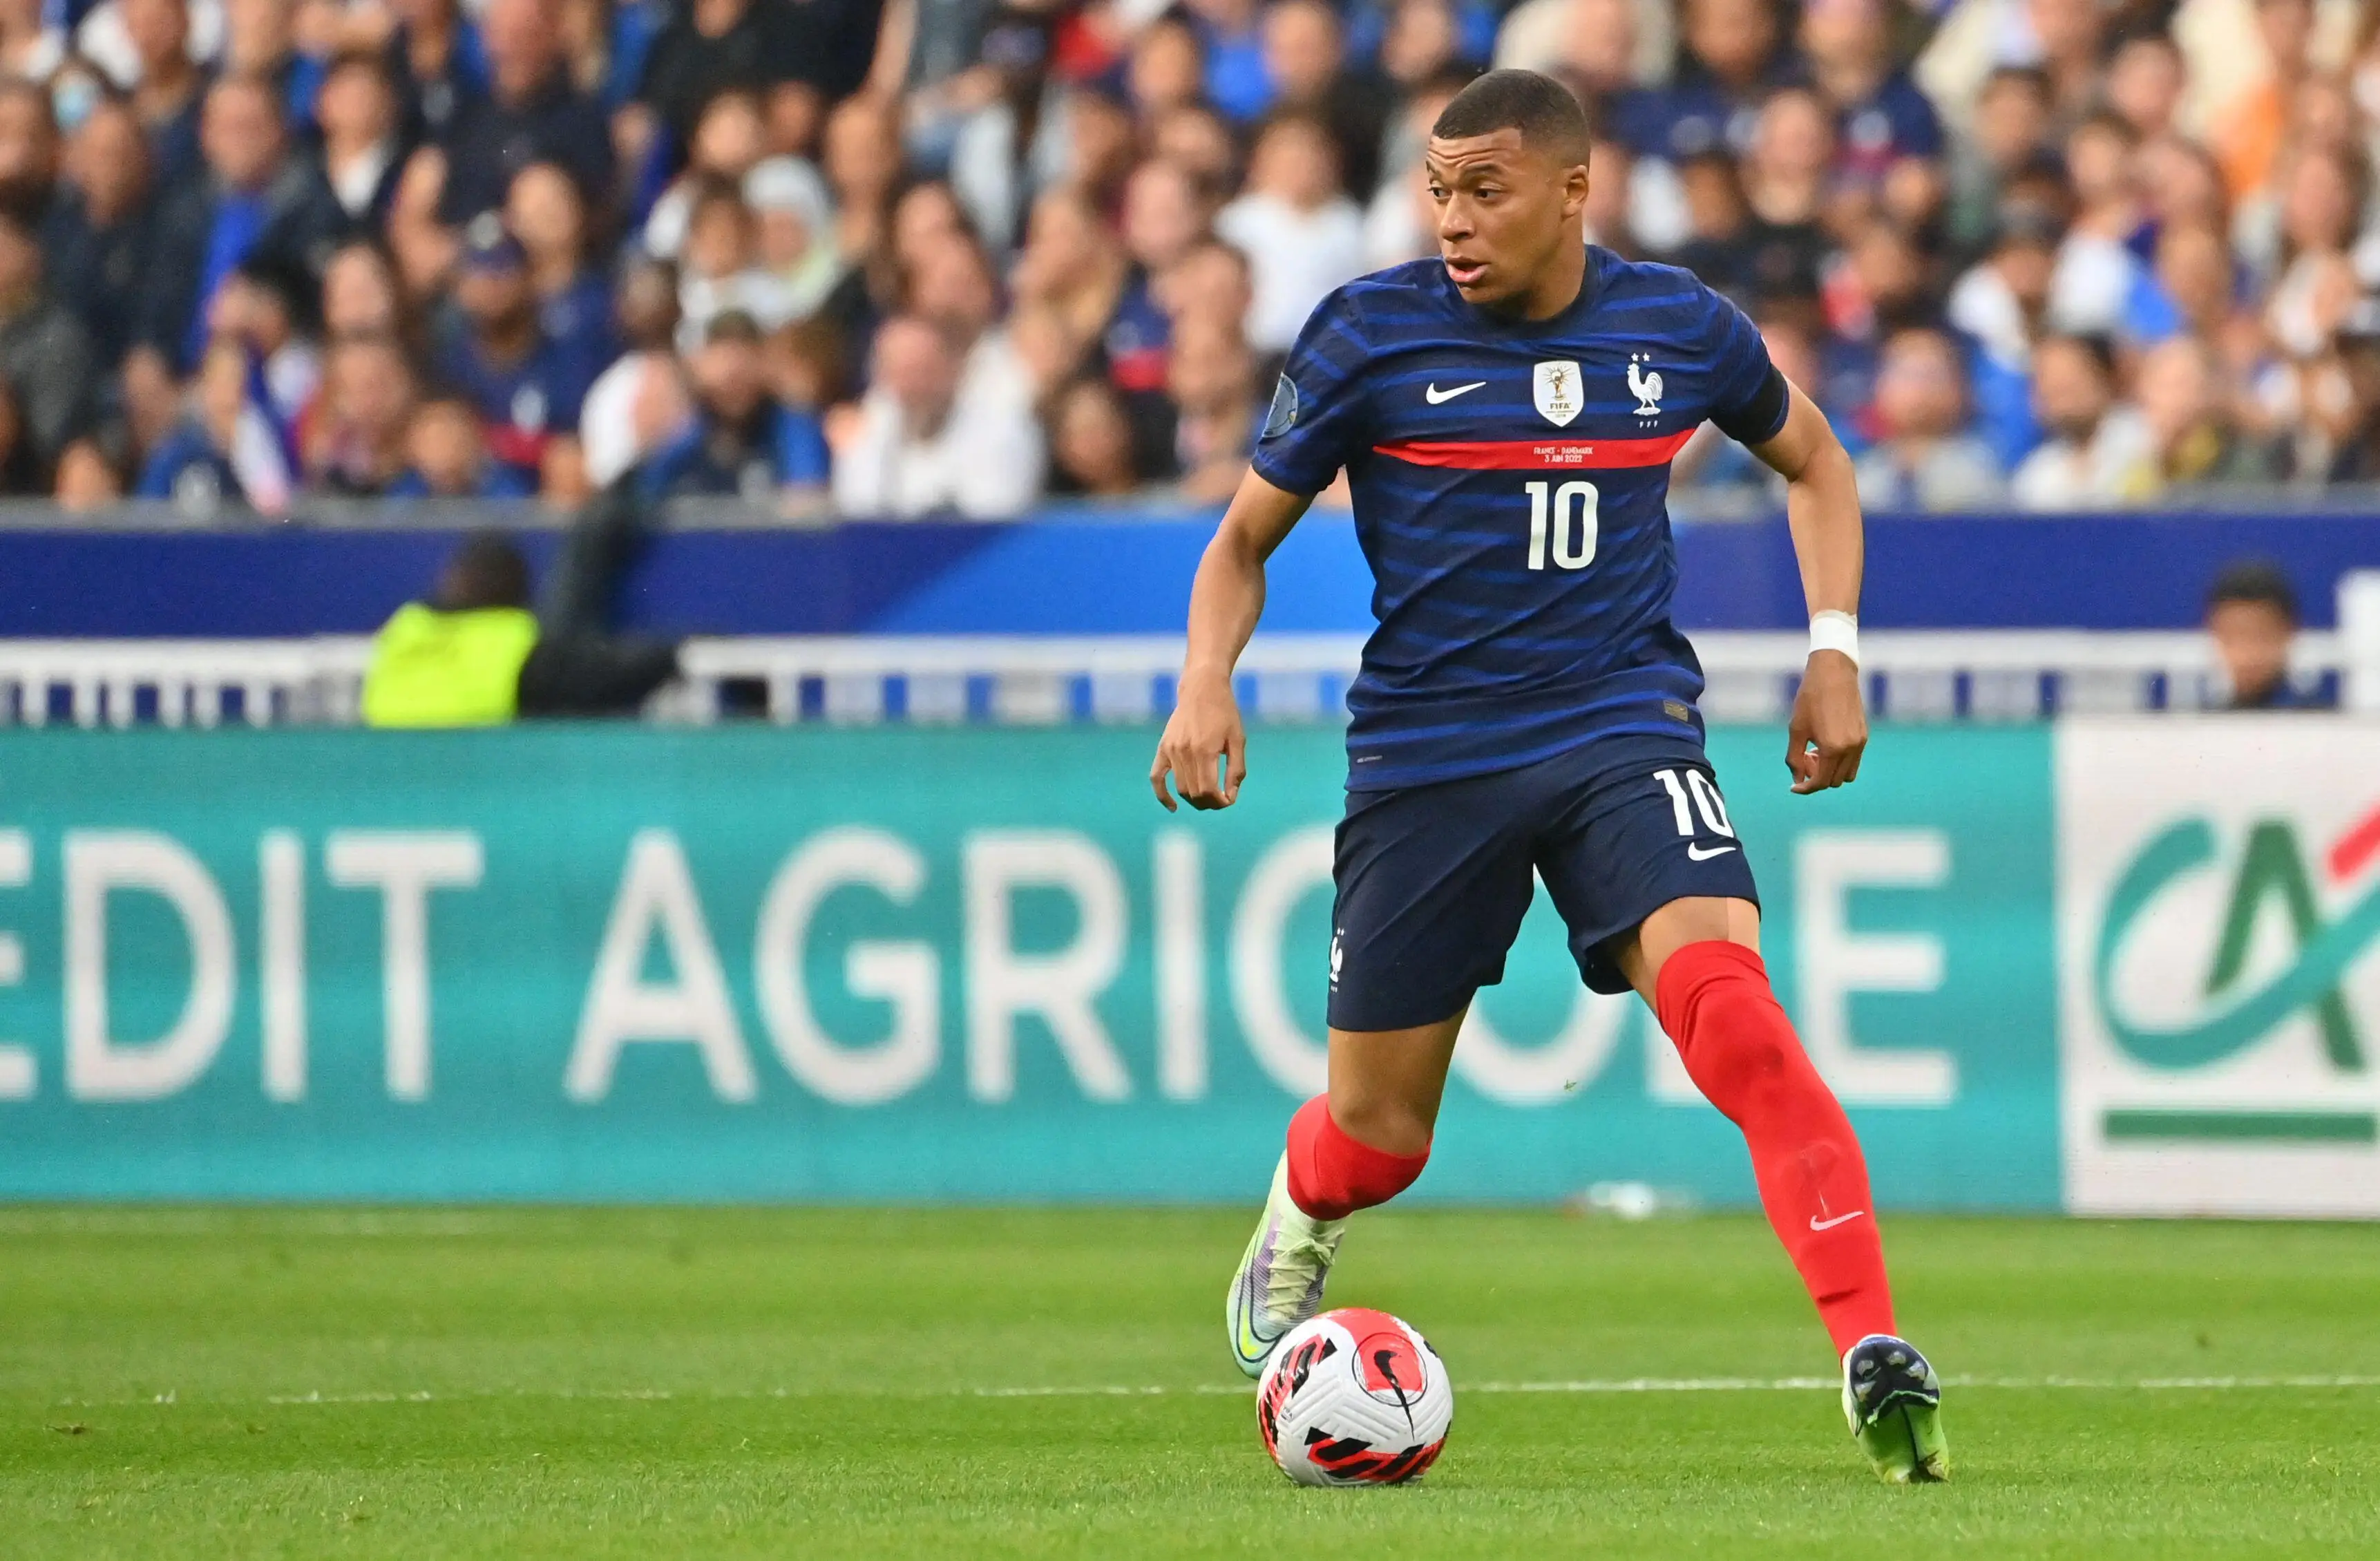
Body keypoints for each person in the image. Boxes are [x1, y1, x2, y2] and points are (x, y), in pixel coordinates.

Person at [1149, 69, 1948, 1484]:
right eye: (1439, 189)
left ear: (1574, 191)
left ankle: (1874, 1350)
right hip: (1428, 758)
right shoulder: (1368, 334)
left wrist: (1836, 646)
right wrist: (1205, 675)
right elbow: (1237, 545)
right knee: (1382, 1135)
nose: (1454, 218)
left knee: (1738, 1020)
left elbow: (1818, 464)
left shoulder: (1676, 326)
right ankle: (1301, 1206)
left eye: (1487, 189)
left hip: (1619, 732)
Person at [2202, 559, 2332, 711]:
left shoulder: (2324, 725)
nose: (2247, 654)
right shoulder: (2201, 727)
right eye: (2233, 636)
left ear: (2289, 632)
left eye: (2260, 635)